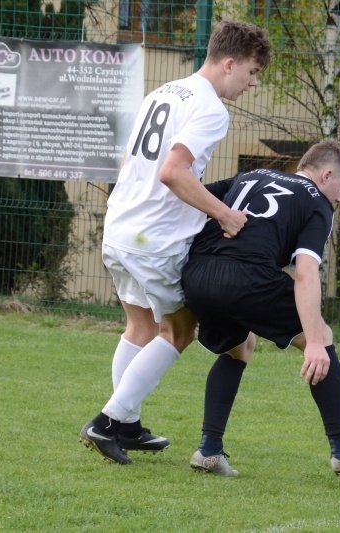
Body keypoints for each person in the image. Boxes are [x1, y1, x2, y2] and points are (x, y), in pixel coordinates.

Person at [79, 21, 272, 465]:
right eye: (251, 72)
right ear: (229, 63)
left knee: (140, 328)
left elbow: (130, 161)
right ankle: (108, 421)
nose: (253, 82)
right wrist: (224, 214)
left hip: (122, 225)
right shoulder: (210, 108)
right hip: (154, 238)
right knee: (180, 330)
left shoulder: (164, 91)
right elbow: (173, 172)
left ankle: (126, 424)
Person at [181, 139, 340, 476]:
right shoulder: (318, 202)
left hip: (197, 274)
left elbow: (192, 194)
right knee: (321, 332)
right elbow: (305, 272)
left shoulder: (251, 175)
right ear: (327, 175)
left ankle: (209, 450)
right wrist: (314, 342)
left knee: (239, 347)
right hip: (244, 278)